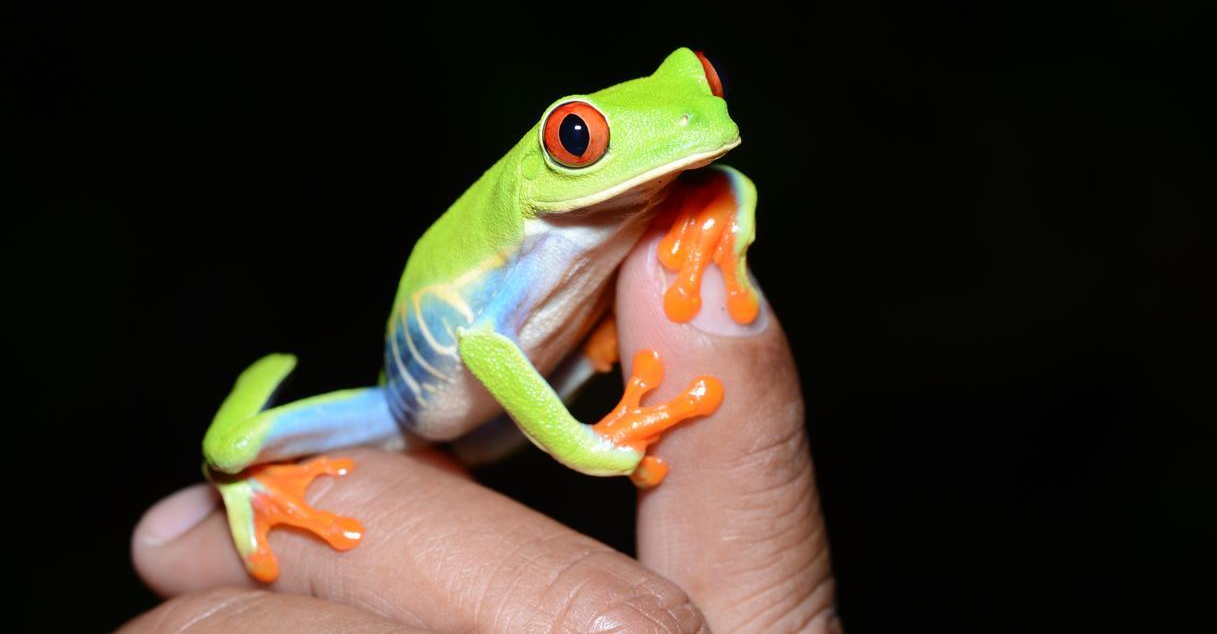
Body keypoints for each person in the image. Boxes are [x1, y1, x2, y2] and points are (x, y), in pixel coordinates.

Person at [125, 231, 839, 632]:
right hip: (396, 407)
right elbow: (484, 348)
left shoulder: (633, 214)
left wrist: (723, 208)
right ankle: (249, 488)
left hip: (481, 427)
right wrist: (589, 445)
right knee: (231, 451)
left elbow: (714, 163)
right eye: (578, 139)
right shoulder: (543, 237)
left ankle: (593, 360)